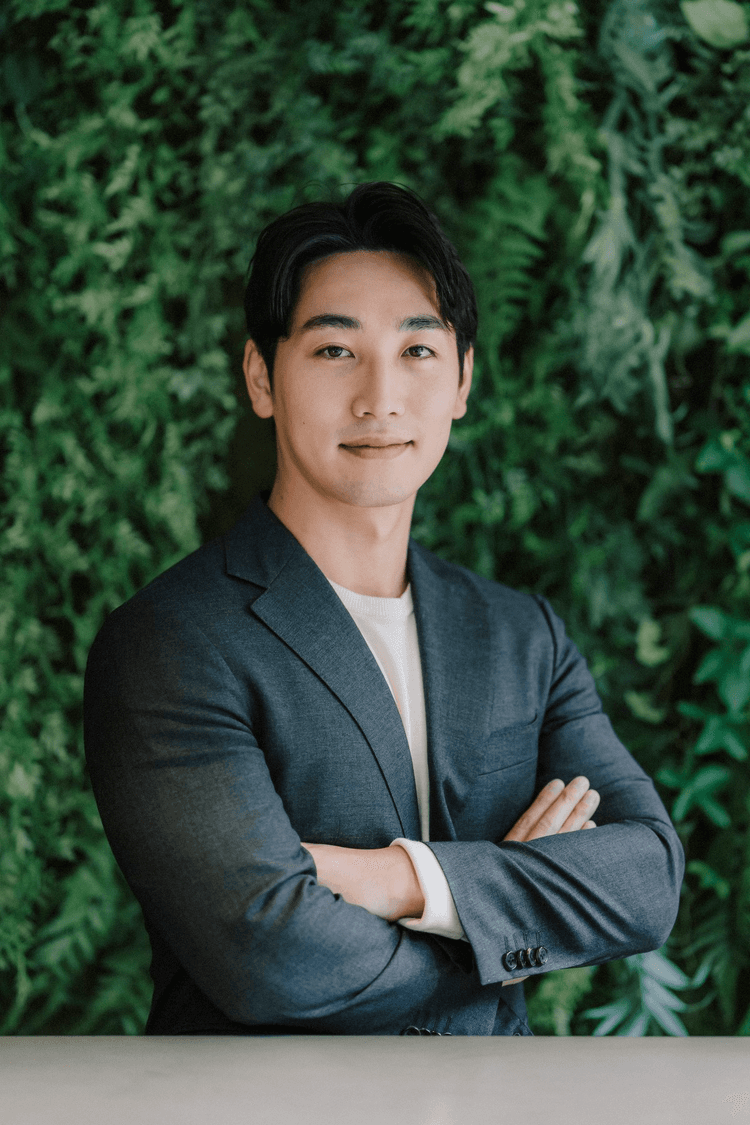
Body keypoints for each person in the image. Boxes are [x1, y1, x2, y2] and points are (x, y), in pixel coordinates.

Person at [84, 181, 684, 1037]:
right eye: (335, 350)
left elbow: (648, 878)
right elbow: (270, 956)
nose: (380, 397)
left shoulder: (522, 636)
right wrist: (502, 910)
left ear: (463, 379)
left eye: (417, 350)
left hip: (494, 1101)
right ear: (261, 376)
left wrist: (403, 880)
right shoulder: (173, 639)